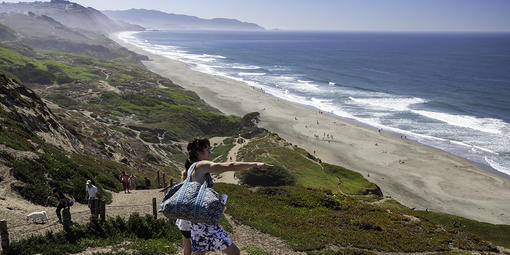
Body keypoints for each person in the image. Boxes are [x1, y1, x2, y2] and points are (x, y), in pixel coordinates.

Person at [181, 137, 271, 255]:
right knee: (234, 252)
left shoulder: (192, 168)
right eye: (207, 149)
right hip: (204, 220)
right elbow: (230, 165)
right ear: (198, 152)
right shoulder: (202, 165)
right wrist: (255, 164)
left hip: (196, 219)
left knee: (200, 252)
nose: (210, 152)